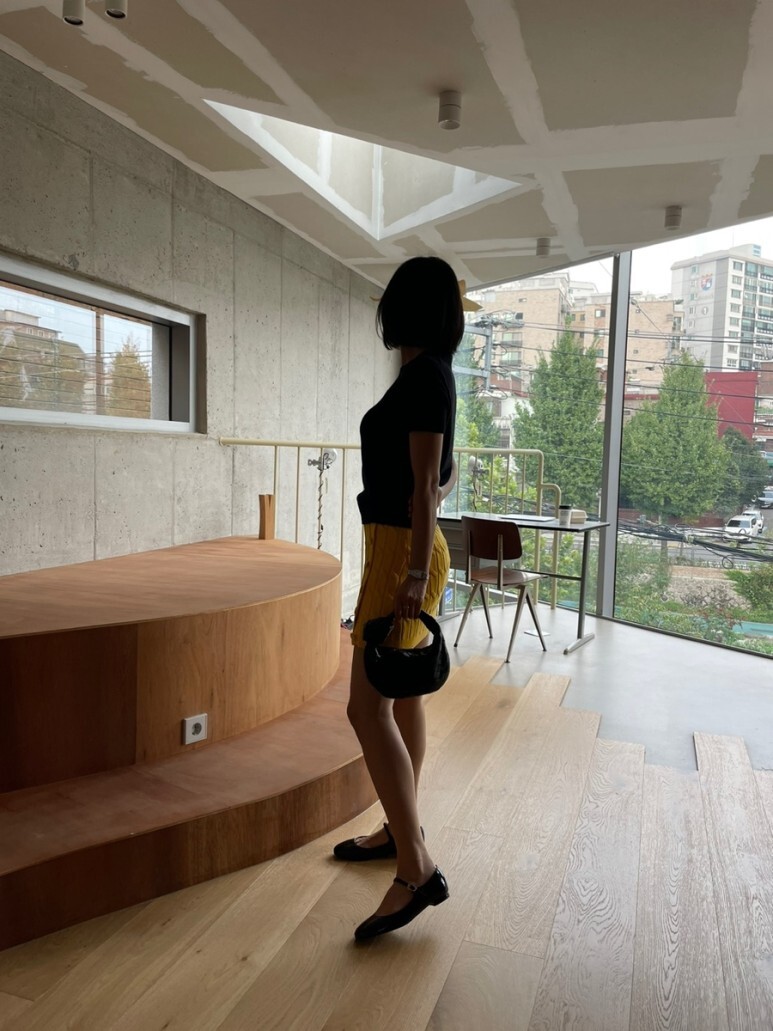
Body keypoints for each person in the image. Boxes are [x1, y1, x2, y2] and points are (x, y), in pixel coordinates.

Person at [333, 256, 462, 941]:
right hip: (399, 547)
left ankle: (416, 867)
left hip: (399, 555)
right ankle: (399, 829)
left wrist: (412, 573)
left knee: (366, 706)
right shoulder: (430, 375)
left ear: (403, 308)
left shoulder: (424, 378)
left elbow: (425, 482)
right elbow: (438, 476)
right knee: (402, 697)